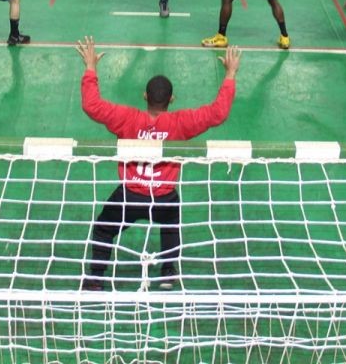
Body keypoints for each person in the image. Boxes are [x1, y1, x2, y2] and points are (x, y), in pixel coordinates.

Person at [76, 35, 241, 291]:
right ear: (171, 100)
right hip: (163, 197)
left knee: (103, 229)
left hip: (130, 196)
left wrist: (90, 67)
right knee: (171, 225)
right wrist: (230, 74)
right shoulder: (181, 123)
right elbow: (217, 113)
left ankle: (96, 278)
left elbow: (91, 105)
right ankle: (167, 272)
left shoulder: (126, 118)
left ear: (145, 96)